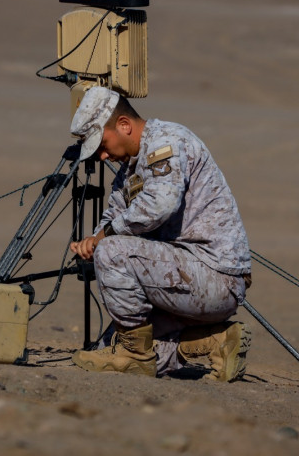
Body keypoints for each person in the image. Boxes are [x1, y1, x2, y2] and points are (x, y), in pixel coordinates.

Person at [68, 86, 251, 379]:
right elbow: (113, 216)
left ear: (124, 125)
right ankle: (218, 341)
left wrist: (102, 242)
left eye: (102, 145)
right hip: (182, 279)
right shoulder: (129, 169)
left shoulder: (166, 141)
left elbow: (159, 206)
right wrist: (91, 241)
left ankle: (134, 355)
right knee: (113, 345)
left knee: (112, 252)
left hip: (214, 277)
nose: (102, 156)